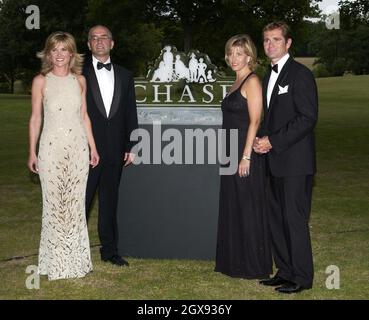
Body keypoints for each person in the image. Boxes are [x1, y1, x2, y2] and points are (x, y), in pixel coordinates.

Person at [28, 31, 99, 280]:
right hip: (50, 148)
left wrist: (93, 147)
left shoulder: (80, 81)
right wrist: (32, 151)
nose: (59, 55)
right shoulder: (40, 81)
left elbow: (84, 116)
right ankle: (54, 263)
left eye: (64, 50)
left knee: (75, 205)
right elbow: (36, 118)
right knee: (54, 205)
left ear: (71, 53)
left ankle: (75, 263)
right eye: (54, 50)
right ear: (48, 53)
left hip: (77, 148)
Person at [254, 22, 318, 293]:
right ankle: (285, 270)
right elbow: (271, 116)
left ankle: (302, 278)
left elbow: (307, 118)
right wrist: (260, 139)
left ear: (288, 43)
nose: (270, 45)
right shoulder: (268, 76)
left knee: (294, 219)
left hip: (295, 163)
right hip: (273, 161)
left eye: (276, 40)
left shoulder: (300, 75)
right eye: (266, 40)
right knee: (276, 219)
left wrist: (273, 141)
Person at [215, 34, 272, 279]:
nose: (234, 58)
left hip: (244, 153)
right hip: (230, 152)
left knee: (248, 207)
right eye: (231, 53)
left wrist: (246, 156)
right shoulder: (234, 83)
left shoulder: (251, 81)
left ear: (249, 56)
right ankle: (233, 262)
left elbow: (255, 120)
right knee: (233, 206)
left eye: (239, 53)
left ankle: (253, 265)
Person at [83, 25, 138, 266]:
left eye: (104, 37)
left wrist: (131, 144)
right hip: (85, 150)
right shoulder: (78, 74)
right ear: (88, 45)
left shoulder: (125, 76)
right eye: (94, 38)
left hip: (116, 149)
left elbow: (130, 113)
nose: (99, 41)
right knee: (80, 202)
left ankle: (110, 251)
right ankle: (73, 252)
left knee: (109, 202)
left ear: (112, 43)